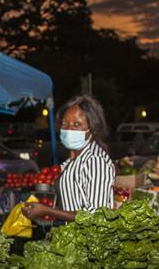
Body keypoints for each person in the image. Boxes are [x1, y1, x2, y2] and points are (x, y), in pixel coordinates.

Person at [21, 95, 115, 224]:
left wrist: (48, 211)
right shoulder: (74, 160)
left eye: (77, 124)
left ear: (92, 129)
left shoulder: (95, 161)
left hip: (91, 242)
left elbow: (96, 215)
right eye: (65, 124)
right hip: (74, 238)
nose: (68, 129)